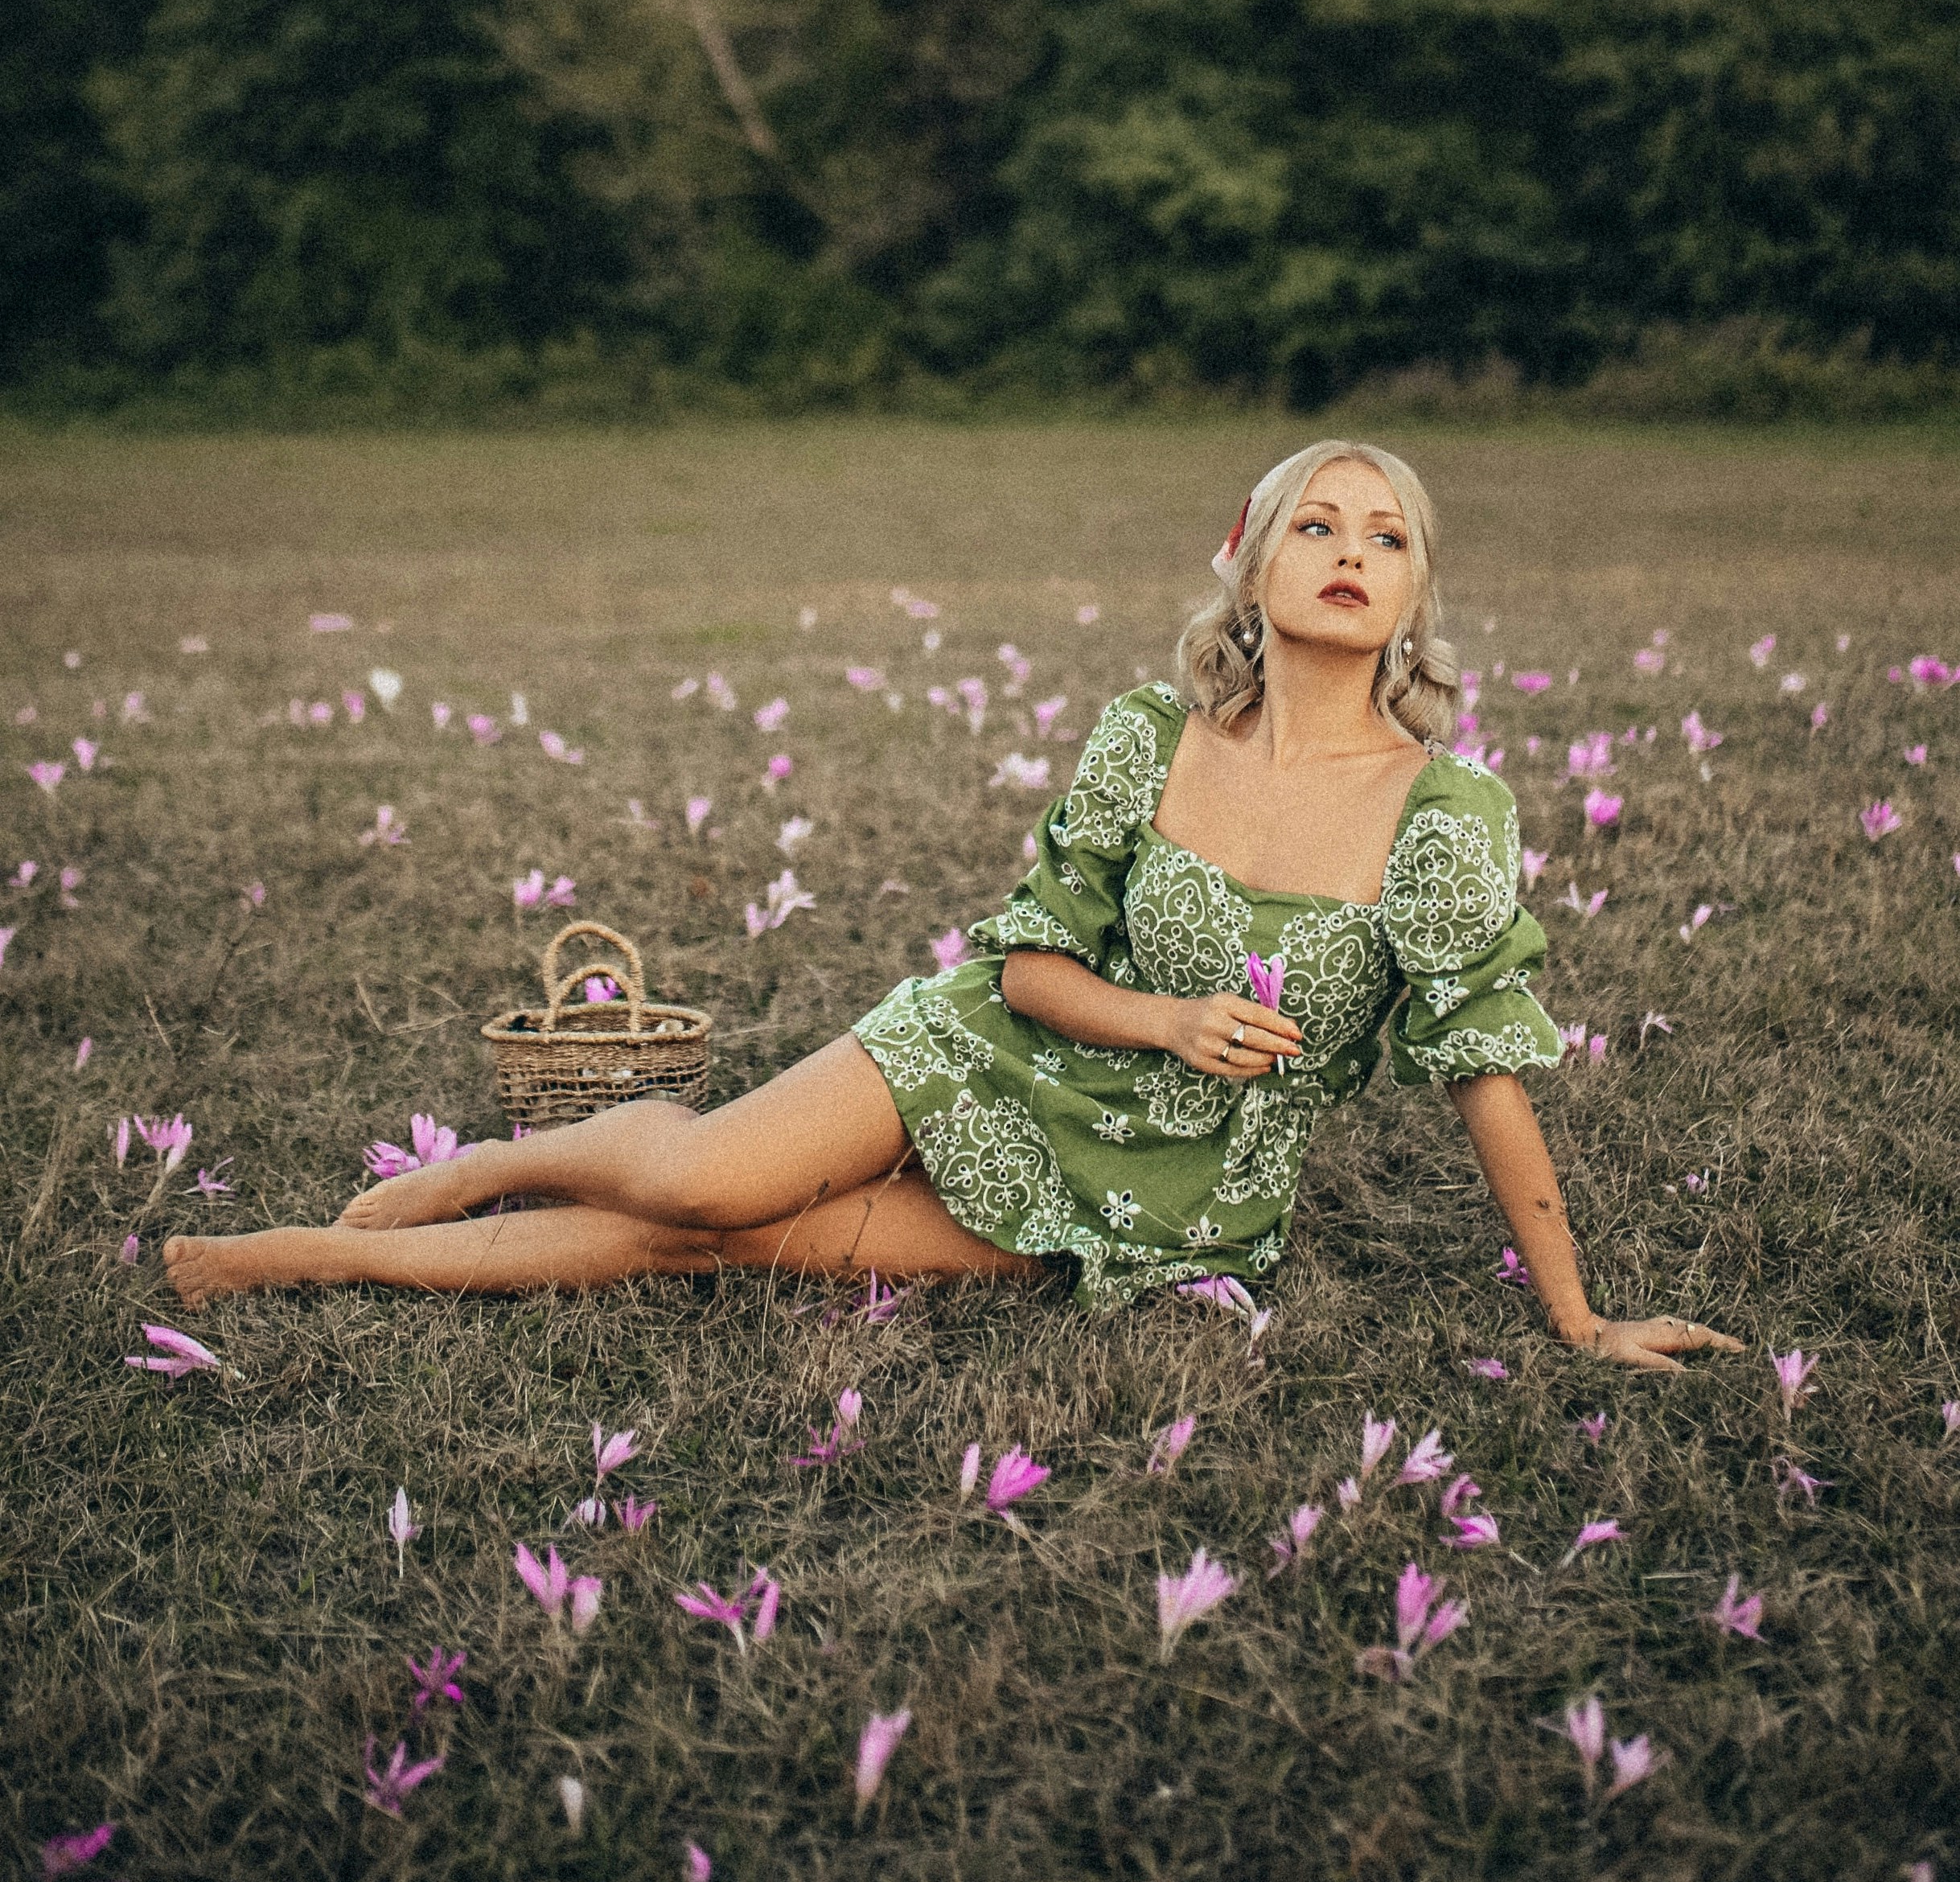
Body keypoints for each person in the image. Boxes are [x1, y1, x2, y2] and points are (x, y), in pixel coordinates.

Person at [166, 440, 1740, 1372]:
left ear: (1413, 596)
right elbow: (1035, 967)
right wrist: (1170, 1015)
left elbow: (1484, 1069)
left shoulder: (1442, 815)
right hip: (993, 1042)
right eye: (1312, 525)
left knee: (710, 1251)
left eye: (1384, 535)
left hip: (1166, 1178)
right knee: (707, 1177)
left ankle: (313, 1262)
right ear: (1251, 567)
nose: (1348, 552)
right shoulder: (1149, 734)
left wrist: (1583, 1315)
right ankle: (485, 1164)